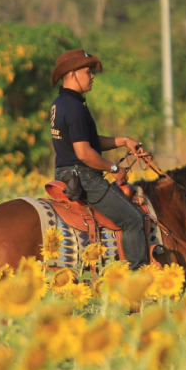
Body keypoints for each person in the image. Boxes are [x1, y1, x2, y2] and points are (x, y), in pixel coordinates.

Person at [50, 49, 153, 270]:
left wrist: (124, 141)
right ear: (73, 74)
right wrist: (114, 168)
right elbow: (85, 154)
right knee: (133, 219)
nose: (92, 76)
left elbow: (87, 141)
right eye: (88, 71)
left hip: (66, 173)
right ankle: (138, 280)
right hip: (85, 177)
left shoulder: (62, 103)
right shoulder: (74, 108)